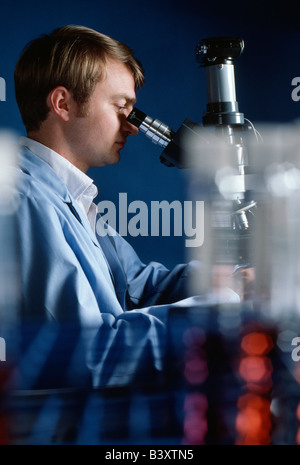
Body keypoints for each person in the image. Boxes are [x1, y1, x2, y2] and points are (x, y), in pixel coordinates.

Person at [11, 25, 240, 391]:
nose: (132, 128)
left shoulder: (71, 197)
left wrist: (231, 279)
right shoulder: (24, 199)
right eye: (121, 108)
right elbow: (90, 353)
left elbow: (136, 286)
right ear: (63, 104)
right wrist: (223, 310)